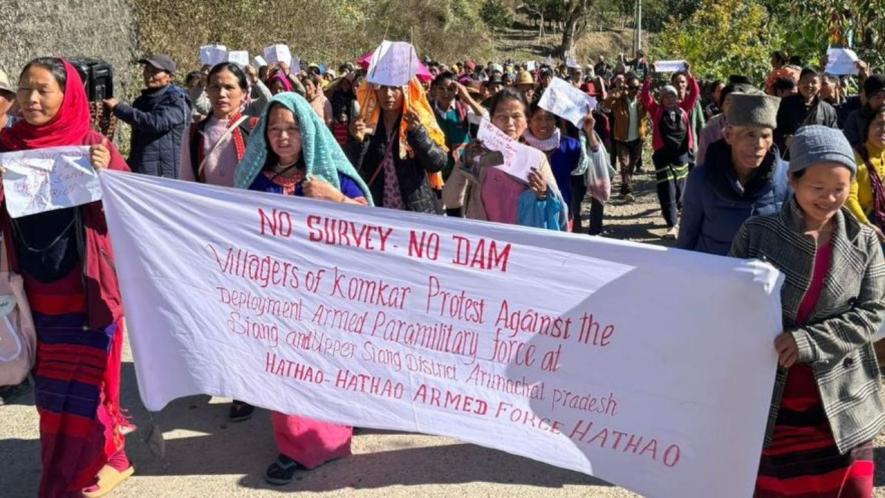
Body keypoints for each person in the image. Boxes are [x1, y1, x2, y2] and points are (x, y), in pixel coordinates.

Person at [0, 57, 133, 498]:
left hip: (88, 293)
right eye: (25, 89)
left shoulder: (92, 144)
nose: (33, 99)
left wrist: (109, 173)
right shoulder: (6, 145)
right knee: (52, 398)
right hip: (35, 297)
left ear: (68, 94)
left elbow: (131, 215)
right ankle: (63, 468)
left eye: (44, 90)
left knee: (88, 392)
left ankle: (90, 469)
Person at [730, 125, 884, 498]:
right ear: (794, 180)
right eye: (818, 188)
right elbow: (728, 303)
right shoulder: (758, 233)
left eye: (840, 188)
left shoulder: (864, 242)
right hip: (774, 401)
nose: (830, 198)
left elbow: (875, 312)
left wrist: (807, 341)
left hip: (843, 398)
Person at [232, 92, 372, 485]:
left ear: (308, 131)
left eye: (292, 128)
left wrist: (337, 198)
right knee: (287, 370)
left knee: (328, 368)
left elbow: (373, 227)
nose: (282, 137)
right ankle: (296, 447)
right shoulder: (253, 179)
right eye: (274, 129)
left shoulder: (329, 174)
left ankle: (335, 430)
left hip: (329, 295)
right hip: (277, 297)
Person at [678, 92, 788, 255]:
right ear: (728, 135)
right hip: (714, 274)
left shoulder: (788, 177)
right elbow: (687, 237)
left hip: (765, 276)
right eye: (749, 134)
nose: (758, 144)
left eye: (765, 135)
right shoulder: (701, 178)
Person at [443, 88, 567, 230]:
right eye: (502, 117)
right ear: (491, 120)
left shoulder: (535, 158)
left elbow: (558, 207)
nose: (509, 123)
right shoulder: (477, 156)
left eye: (516, 116)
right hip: (486, 243)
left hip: (522, 244)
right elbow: (450, 201)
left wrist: (544, 193)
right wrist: (464, 164)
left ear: (527, 121)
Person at [349, 77, 447, 213]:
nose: (388, 93)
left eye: (395, 87)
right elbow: (352, 170)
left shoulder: (420, 120)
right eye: (382, 87)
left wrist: (418, 134)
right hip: (378, 212)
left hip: (415, 212)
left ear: (406, 90)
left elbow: (437, 163)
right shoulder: (366, 124)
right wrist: (358, 142)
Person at [522, 102, 608, 232]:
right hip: (526, 214)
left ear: (555, 122)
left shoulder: (569, 145)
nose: (544, 124)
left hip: (562, 212)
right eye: (538, 119)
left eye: (549, 119)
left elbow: (594, 158)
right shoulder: (520, 147)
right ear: (529, 122)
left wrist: (589, 132)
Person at [103, 54, 190, 178]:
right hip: (141, 169)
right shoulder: (142, 100)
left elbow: (154, 122)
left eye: (155, 71)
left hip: (163, 175)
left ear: (169, 77)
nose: (149, 74)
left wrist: (118, 108)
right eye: (147, 69)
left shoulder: (177, 100)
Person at [641, 62, 700, 239]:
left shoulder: (684, 108)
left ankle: (680, 215)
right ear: (661, 98)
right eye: (665, 96)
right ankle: (672, 224)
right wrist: (649, 78)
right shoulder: (656, 110)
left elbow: (695, 93)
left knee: (681, 190)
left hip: (681, 155)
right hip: (663, 156)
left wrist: (689, 75)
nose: (669, 99)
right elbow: (645, 96)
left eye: (672, 96)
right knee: (668, 190)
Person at [180, 62, 260, 188]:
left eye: (229, 87)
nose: (221, 94)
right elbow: (186, 183)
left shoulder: (256, 128)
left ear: (244, 93)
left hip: (246, 206)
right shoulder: (192, 133)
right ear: (207, 91)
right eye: (215, 87)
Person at [430, 71, 486, 182]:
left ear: (456, 91)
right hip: (434, 168)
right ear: (435, 89)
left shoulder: (463, 108)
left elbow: (484, 117)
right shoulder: (427, 108)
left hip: (460, 168)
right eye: (441, 88)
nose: (445, 93)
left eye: (450, 89)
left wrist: (467, 97)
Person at [775, 68, 839, 160]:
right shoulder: (784, 104)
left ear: (820, 85)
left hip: (817, 160)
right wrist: (785, 139)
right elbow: (773, 132)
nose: (809, 85)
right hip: (789, 159)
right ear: (798, 83)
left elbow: (834, 136)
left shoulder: (828, 109)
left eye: (814, 82)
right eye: (805, 81)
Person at [604, 75, 646, 201]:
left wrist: (647, 87)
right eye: (632, 87)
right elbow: (607, 105)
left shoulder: (641, 101)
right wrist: (613, 93)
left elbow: (652, 104)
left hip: (637, 139)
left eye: (637, 87)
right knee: (624, 164)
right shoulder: (619, 100)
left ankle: (624, 187)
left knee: (631, 166)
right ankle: (628, 190)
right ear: (627, 87)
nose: (635, 90)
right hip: (622, 139)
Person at [847, 105, 885, 243]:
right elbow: (849, 197)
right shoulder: (855, 156)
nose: (883, 130)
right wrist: (867, 225)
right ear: (867, 127)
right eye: (879, 124)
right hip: (864, 223)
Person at [695, 82, 755, 166]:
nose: (733, 107)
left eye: (738, 102)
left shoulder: (754, 128)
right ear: (722, 105)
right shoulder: (710, 130)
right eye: (728, 102)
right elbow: (701, 163)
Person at [844, 74, 885, 147]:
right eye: (878, 97)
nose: (883, 102)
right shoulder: (855, 118)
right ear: (868, 99)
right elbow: (850, 146)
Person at [672, 70, 705, 159]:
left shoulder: (695, 102)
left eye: (682, 82)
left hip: (691, 144)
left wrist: (703, 143)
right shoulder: (669, 103)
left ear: (687, 84)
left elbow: (701, 123)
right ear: (672, 84)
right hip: (674, 144)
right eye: (676, 82)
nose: (680, 85)